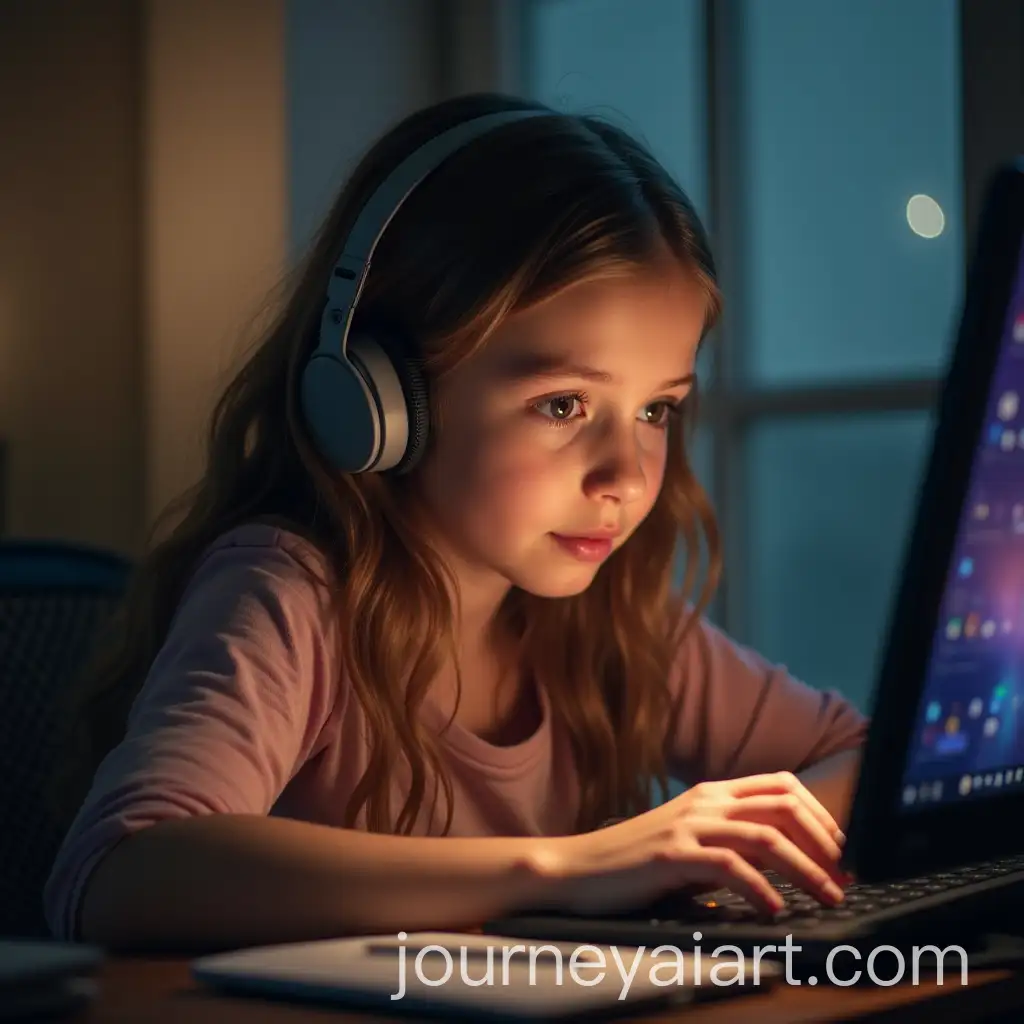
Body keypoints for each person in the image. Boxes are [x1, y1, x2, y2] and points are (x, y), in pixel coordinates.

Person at [44, 93, 867, 952]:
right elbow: (118, 873)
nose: (626, 475)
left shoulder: (612, 619)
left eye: (657, 411)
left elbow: (864, 754)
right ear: (382, 398)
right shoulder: (291, 595)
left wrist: (737, 835)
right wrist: (569, 867)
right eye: (562, 404)